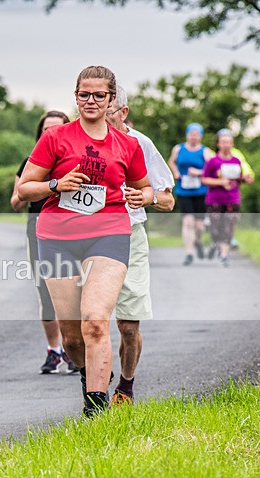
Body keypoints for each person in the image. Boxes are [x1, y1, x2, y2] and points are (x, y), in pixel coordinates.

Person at [17, 66, 154, 417]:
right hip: (57, 237)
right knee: (72, 337)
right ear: (75, 96)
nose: (90, 101)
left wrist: (144, 197)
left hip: (109, 234)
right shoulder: (56, 138)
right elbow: (24, 187)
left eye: (99, 95)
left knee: (95, 321)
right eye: (84, 94)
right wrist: (55, 185)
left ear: (111, 100)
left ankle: (95, 412)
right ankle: (88, 373)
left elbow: (145, 186)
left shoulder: (128, 144)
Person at [104, 86, 175, 406]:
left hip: (130, 235)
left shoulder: (140, 143)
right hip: (86, 236)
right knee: (84, 326)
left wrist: (147, 197)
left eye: (109, 109)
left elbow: (168, 200)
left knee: (128, 326)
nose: (100, 114)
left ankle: (125, 387)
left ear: (123, 112)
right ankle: (92, 378)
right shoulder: (76, 139)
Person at [10, 110, 78, 375]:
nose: (49, 134)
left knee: (73, 293)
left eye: (55, 129)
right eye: (45, 130)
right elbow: (15, 201)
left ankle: (73, 349)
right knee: (45, 292)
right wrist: (39, 186)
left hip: (70, 231)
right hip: (38, 231)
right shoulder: (30, 163)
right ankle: (54, 351)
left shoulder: (73, 161)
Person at [201, 129, 254, 267]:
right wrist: (220, 182)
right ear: (218, 144)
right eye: (223, 142)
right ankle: (217, 245)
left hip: (232, 199)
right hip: (215, 200)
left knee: (228, 227)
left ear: (232, 144)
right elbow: (204, 179)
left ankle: (224, 255)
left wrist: (244, 178)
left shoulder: (237, 160)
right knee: (216, 228)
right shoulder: (213, 161)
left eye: (229, 142)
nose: (226, 145)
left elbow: (238, 178)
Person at [168, 123, 214, 265]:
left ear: (200, 136)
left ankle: (197, 241)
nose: (193, 137)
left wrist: (199, 173)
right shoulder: (178, 148)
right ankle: (189, 253)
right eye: (191, 134)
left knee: (199, 225)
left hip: (201, 191)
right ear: (187, 134)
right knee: (188, 222)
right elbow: (171, 162)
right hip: (184, 190)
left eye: (196, 134)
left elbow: (213, 168)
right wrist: (175, 172)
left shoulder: (206, 152)